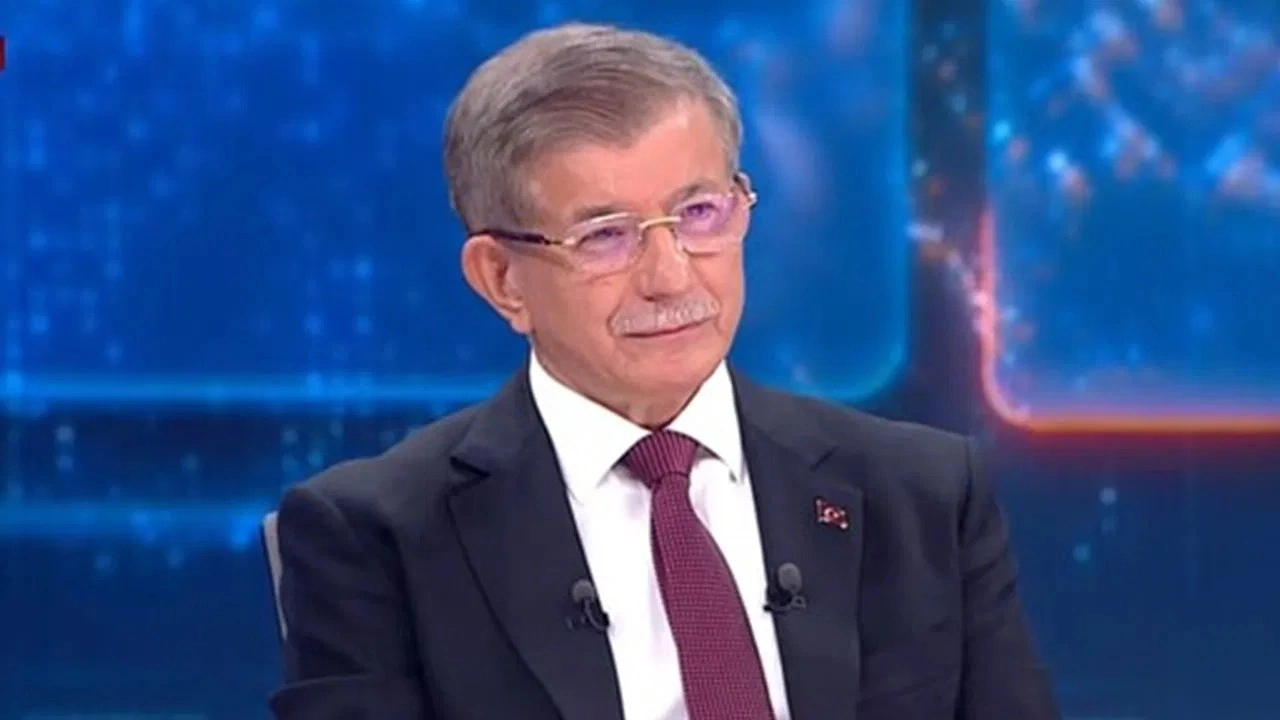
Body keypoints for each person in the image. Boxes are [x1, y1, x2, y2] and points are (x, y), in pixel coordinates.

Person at [269, 22, 1060, 720]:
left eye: (699, 214)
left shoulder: (922, 495)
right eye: (605, 236)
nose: (671, 276)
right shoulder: (374, 537)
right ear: (502, 279)